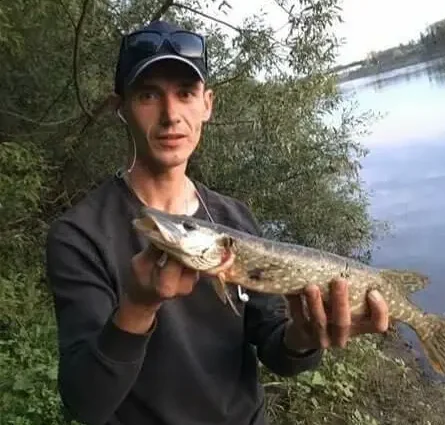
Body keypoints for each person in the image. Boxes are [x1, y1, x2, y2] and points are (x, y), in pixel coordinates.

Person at [45, 19, 389, 425]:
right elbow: (86, 403)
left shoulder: (232, 218)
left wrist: (304, 337)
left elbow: (277, 350)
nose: (171, 115)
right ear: (121, 108)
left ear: (206, 104)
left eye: (185, 94)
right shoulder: (79, 236)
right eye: (149, 94)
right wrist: (138, 307)